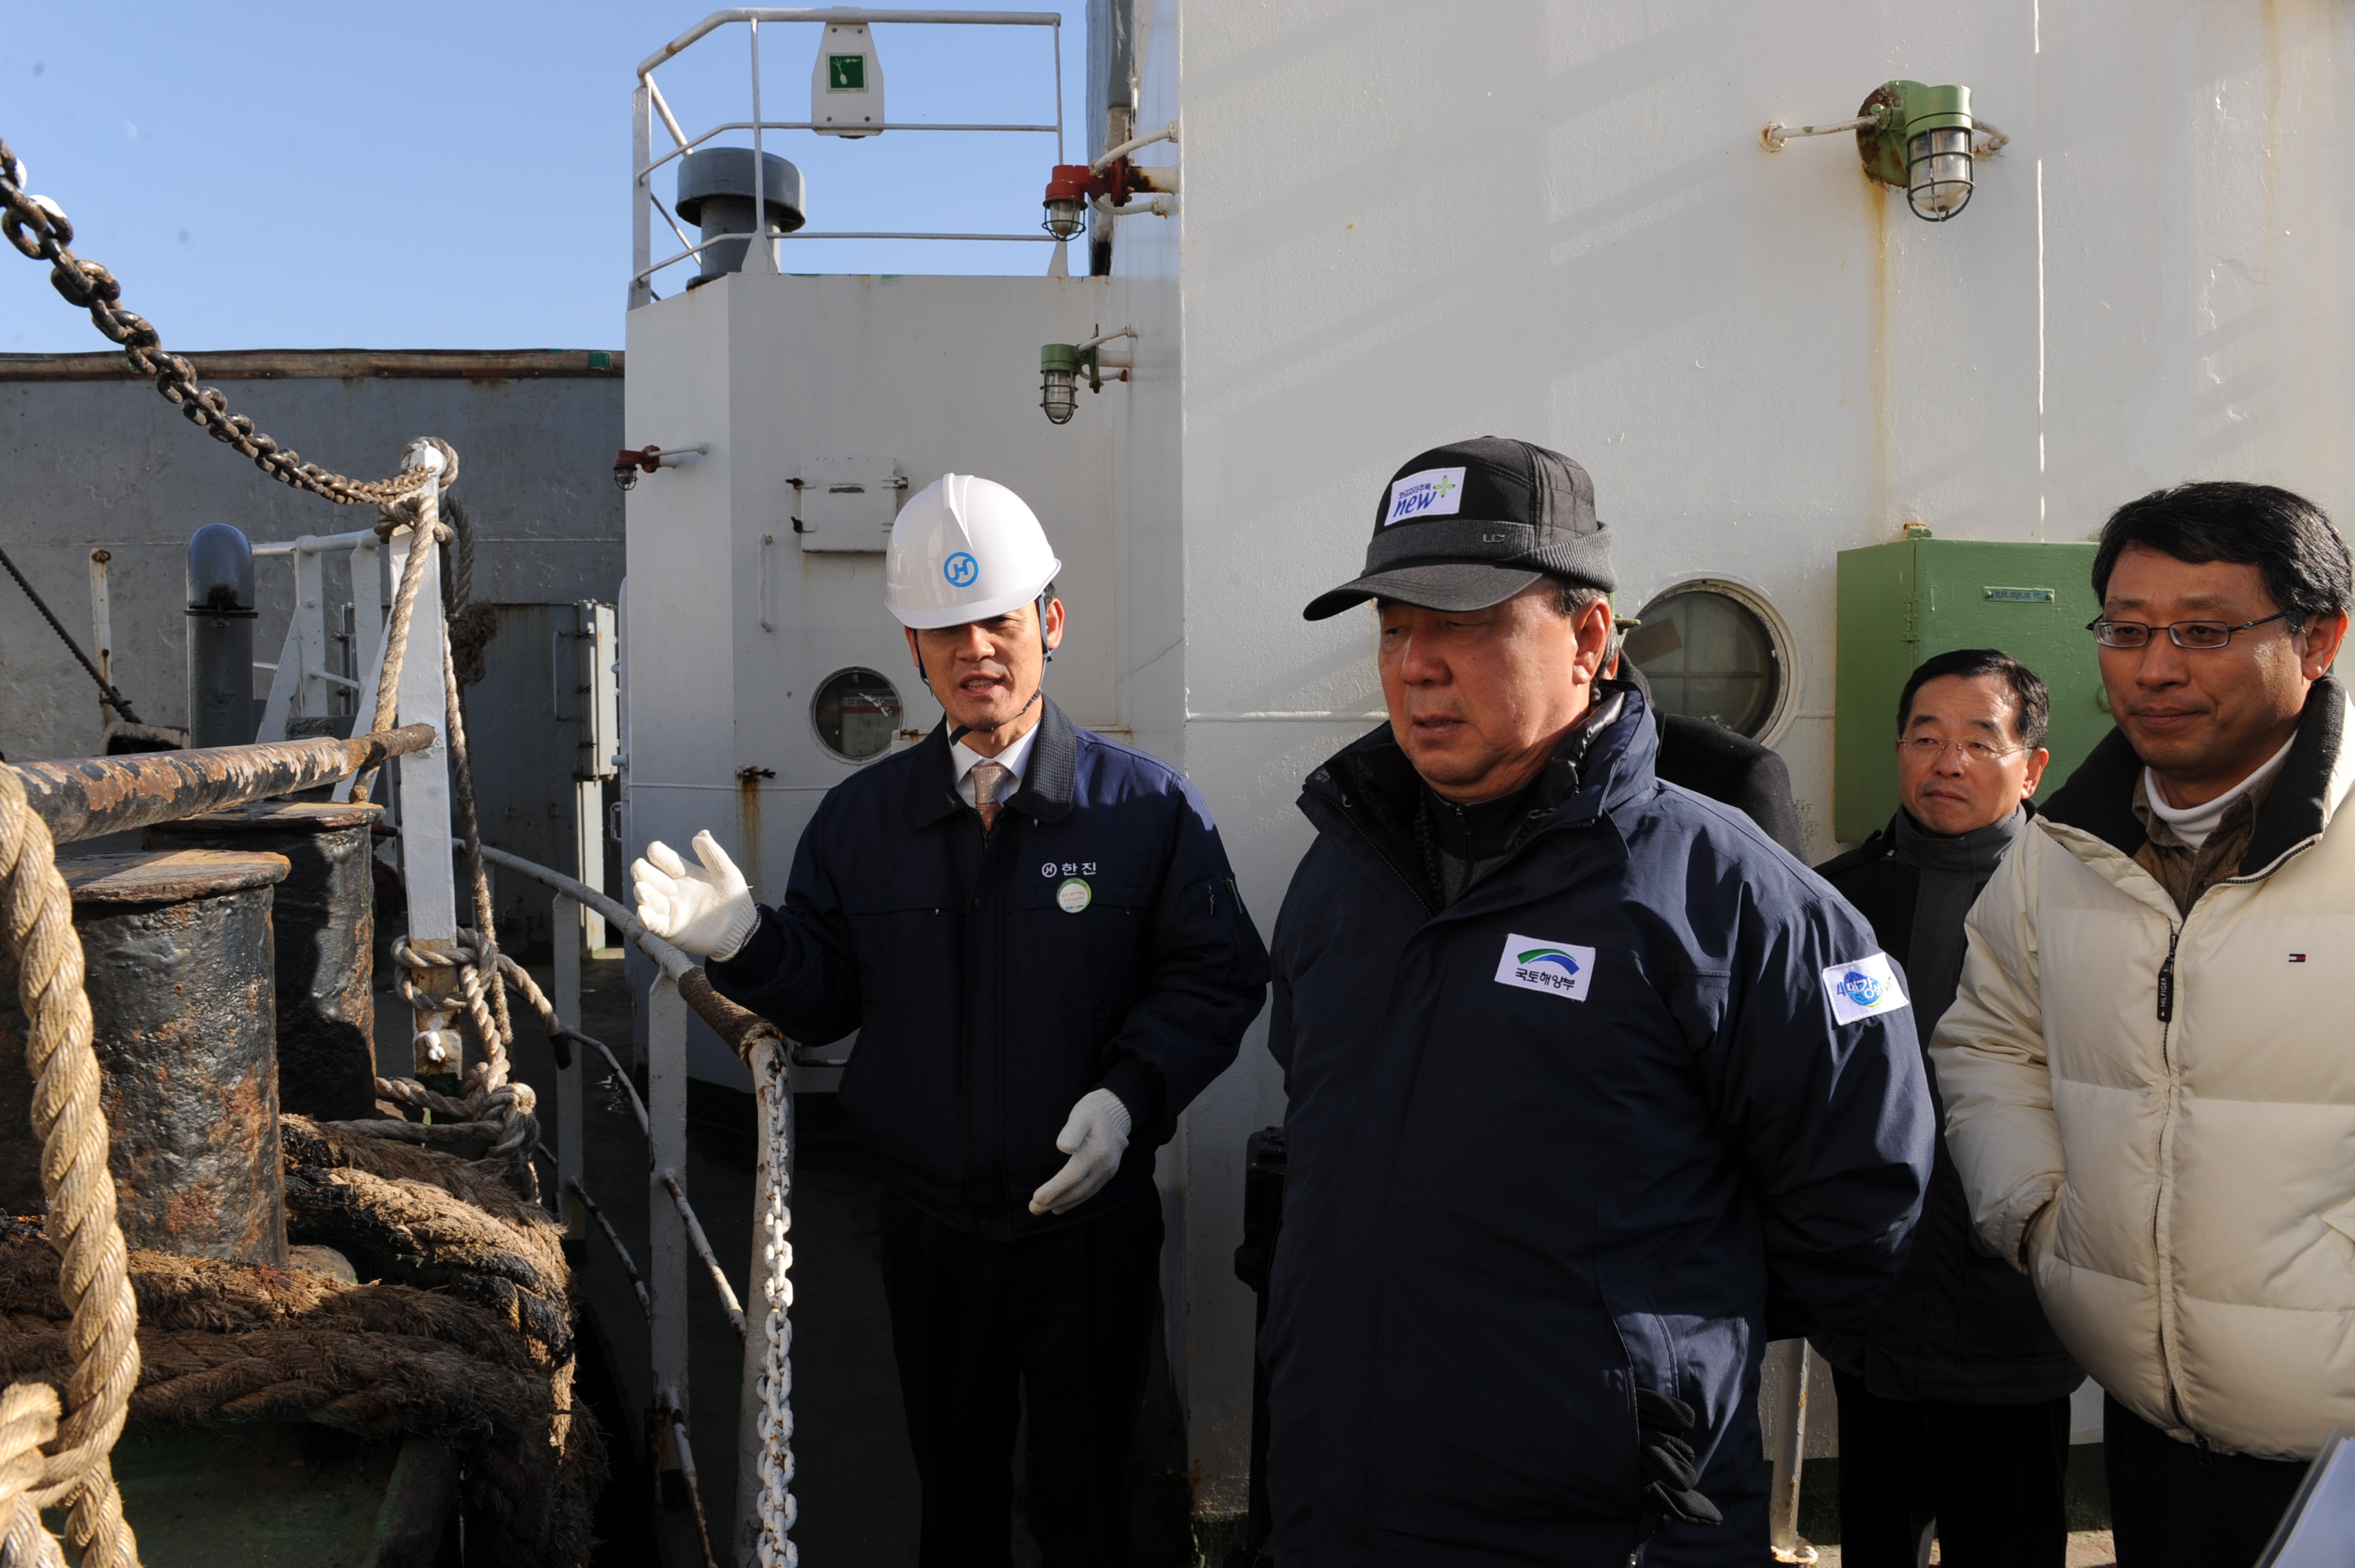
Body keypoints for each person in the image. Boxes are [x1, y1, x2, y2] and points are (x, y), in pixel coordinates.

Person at [1262, 436, 1935, 1565]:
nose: (1415, 665)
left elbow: (1860, 1198)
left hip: (1603, 1523)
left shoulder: (1735, 895)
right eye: (1393, 628)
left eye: (1464, 622)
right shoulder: (1341, 869)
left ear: (1588, 639)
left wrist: (1638, 1361)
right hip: (1344, 1500)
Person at [630, 473, 1271, 1568]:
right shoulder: (860, 821)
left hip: (1090, 1231)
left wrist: (1130, 1099)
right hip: (930, 1229)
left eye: (999, 620)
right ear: (915, 650)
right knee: (954, 1492)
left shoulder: (1148, 810)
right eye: (944, 629)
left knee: (1086, 1505)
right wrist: (745, 943)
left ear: (1049, 625)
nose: (976, 648)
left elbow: (1214, 977)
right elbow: (830, 995)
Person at [1932, 481, 2355, 1568]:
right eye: (2125, 630)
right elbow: (1990, 1038)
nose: (2154, 667)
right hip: (2152, 1418)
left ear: (2320, 640)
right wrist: (2039, 1221)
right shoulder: (2062, 848)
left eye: (2206, 631)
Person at [1811, 649, 2081, 1567]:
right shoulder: (1832, 902)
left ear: (2032, 764)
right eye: (1925, 738)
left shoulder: (2086, 906)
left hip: (2017, 1315)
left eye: (1978, 740)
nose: (1947, 762)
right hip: (1871, 1312)